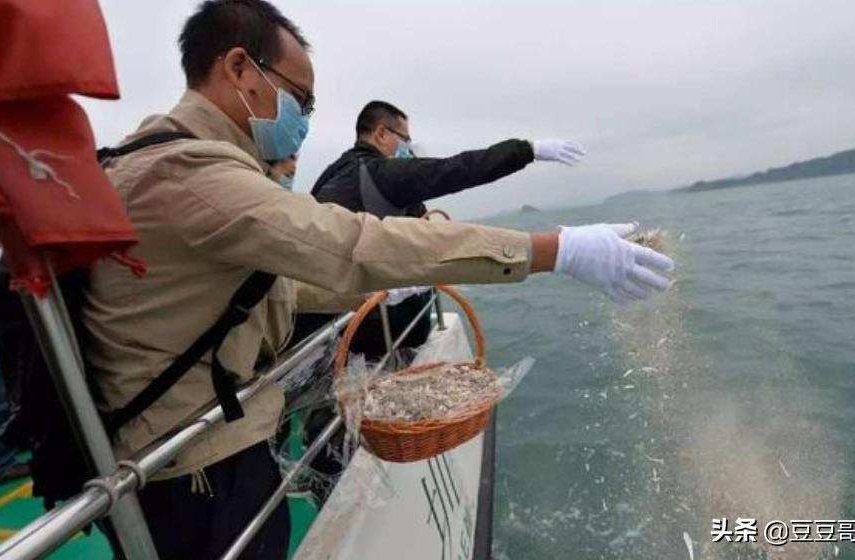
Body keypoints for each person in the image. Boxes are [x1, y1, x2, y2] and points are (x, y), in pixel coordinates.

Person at [83, 1, 674, 558]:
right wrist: (555, 248)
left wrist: (376, 291)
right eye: (300, 100)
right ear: (239, 66)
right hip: (197, 473)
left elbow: (272, 283)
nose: (305, 122)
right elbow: (356, 242)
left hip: (200, 447)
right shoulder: (191, 173)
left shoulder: (164, 158)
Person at [308, 100, 587, 358]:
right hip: (369, 327)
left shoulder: (332, 175)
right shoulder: (381, 173)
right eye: (405, 138)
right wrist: (527, 149)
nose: (409, 147)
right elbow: (456, 169)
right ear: (381, 134)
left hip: (323, 321)